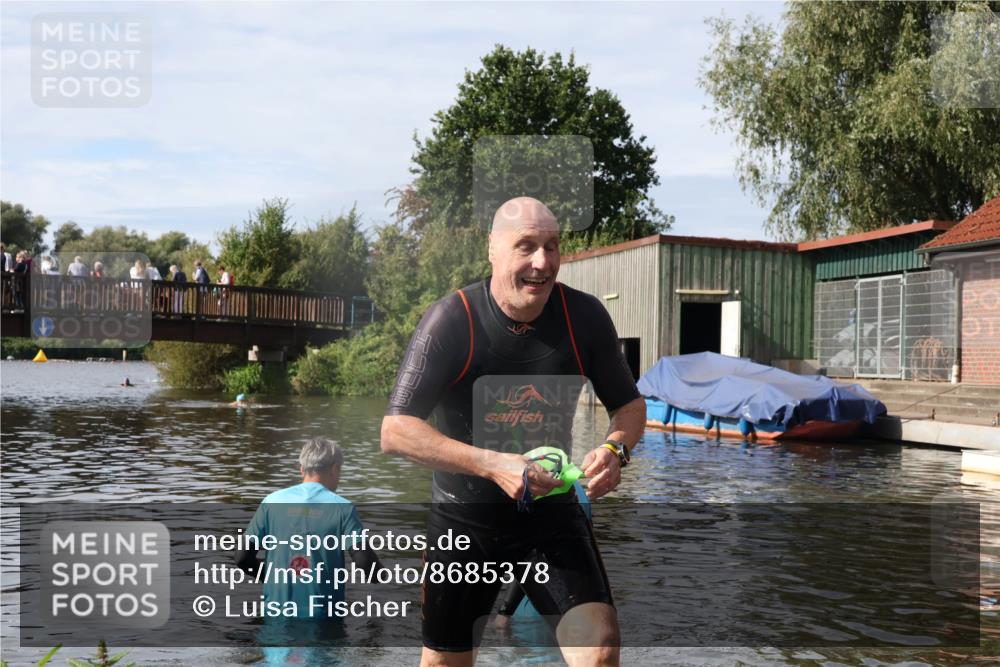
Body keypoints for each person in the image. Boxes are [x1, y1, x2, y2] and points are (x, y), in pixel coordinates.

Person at [381, 197, 645, 666]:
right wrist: (492, 463)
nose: (542, 263)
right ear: (493, 250)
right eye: (526, 247)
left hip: (551, 518)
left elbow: (629, 405)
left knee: (600, 649)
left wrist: (615, 448)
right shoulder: (451, 320)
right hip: (466, 523)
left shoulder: (584, 319)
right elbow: (396, 431)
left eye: (552, 246)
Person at [237, 438, 382, 615]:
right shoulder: (342, 508)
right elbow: (365, 562)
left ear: (302, 469)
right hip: (324, 620)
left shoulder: (272, 502)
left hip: (276, 615)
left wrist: (272, 577)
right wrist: (380, 576)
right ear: (335, 468)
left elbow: (242, 559)